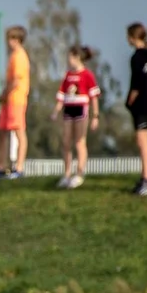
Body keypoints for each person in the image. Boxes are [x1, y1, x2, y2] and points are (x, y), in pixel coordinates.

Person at [50, 45, 100, 189]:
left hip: (81, 109)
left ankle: (79, 173)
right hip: (68, 110)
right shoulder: (67, 75)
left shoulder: (87, 75)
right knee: (66, 142)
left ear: (77, 57)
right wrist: (55, 111)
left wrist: (95, 116)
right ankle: (66, 174)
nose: (68, 60)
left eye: (70, 57)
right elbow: (61, 96)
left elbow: (94, 97)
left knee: (79, 141)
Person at [126, 24, 147, 196]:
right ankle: (145, 177)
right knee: (143, 140)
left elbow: (137, 82)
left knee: (142, 141)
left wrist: (130, 100)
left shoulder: (137, 57)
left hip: (141, 103)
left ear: (132, 37)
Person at [0, 26, 31, 178]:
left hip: (16, 99)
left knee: (19, 132)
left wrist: (5, 93)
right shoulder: (13, 56)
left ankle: (19, 167)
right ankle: (1, 166)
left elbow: (16, 81)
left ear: (17, 40)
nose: (8, 42)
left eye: (11, 39)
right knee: (2, 132)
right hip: (8, 100)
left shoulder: (20, 56)